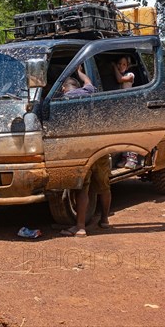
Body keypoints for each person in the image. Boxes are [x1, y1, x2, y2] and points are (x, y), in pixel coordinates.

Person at [59, 64, 112, 237]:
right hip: (100, 147)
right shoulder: (88, 92)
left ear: (63, 88)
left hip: (82, 150)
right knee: (104, 186)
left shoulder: (63, 101)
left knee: (82, 189)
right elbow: (88, 82)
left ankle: (80, 227)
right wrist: (80, 72)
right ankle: (104, 220)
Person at [113, 56, 138, 168]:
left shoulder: (130, 75)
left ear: (127, 66)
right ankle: (124, 158)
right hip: (121, 108)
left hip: (129, 106)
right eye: (118, 64)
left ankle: (132, 159)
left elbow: (120, 80)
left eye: (123, 64)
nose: (120, 66)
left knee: (130, 133)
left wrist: (113, 67)